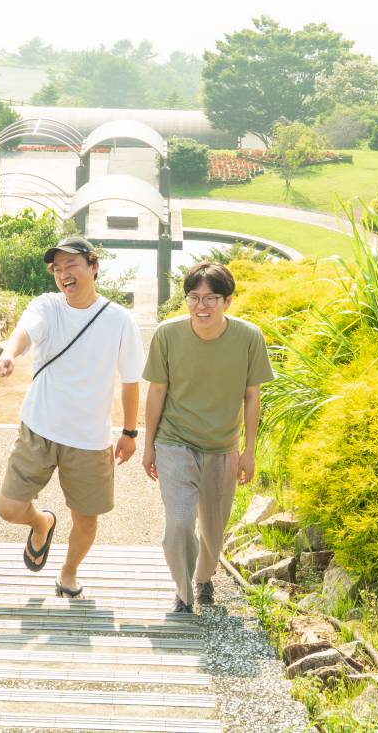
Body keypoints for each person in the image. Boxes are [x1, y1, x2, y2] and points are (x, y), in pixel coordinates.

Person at [0, 235, 143, 598]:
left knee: (86, 518)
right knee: (10, 508)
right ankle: (41, 522)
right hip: (39, 427)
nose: (63, 274)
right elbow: (26, 332)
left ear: (94, 266)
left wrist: (130, 432)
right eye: (57, 269)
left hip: (88, 438)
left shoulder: (119, 320)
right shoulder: (47, 306)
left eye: (71, 265)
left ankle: (68, 573)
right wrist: (10, 353)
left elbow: (131, 381)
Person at [142, 260, 273, 613]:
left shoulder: (248, 337)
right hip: (174, 441)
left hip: (222, 446)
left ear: (227, 302)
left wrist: (249, 451)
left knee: (213, 532)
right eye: (194, 297)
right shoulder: (168, 335)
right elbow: (156, 391)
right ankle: (184, 593)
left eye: (211, 298)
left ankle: (203, 578)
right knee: (180, 521)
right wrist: (148, 446)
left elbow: (251, 396)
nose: (201, 306)